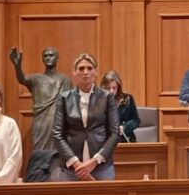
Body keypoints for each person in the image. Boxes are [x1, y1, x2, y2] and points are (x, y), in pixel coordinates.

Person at [52, 53, 120, 181]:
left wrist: (95, 161)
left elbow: (115, 133)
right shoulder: (64, 98)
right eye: (81, 68)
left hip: (101, 167)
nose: (85, 72)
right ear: (74, 72)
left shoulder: (107, 97)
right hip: (71, 169)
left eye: (89, 68)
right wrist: (76, 163)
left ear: (95, 72)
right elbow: (57, 134)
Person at [9, 47, 72, 154]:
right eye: (45, 56)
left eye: (51, 55)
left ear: (57, 58)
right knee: (39, 152)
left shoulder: (65, 80)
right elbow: (22, 79)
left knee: (58, 154)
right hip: (41, 121)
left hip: (58, 122)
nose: (48, 58)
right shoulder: (36, 79)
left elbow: (69, 105)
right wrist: (17, 66)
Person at [102, 70, 141, 144]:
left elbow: (136, 121)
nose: (111, 91)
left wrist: (124, 127)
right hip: (105, 141)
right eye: (108, 88)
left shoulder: (127, 99)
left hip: (125, 140)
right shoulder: (99, 101)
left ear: (118, 87)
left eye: (114, 88)